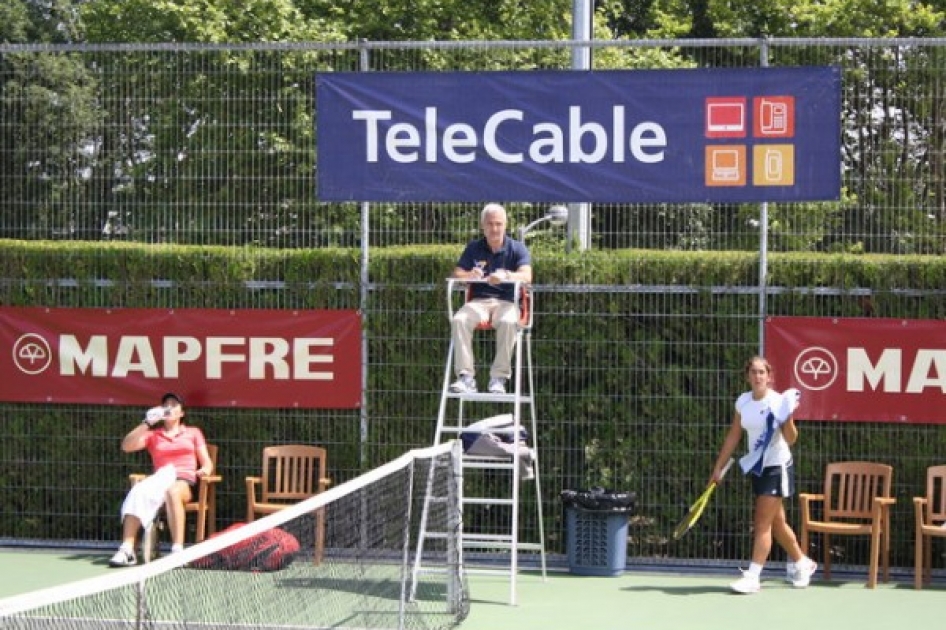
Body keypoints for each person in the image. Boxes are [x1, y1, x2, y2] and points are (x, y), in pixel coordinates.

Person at [710, 356, 817, 594]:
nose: (758, 377)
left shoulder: (778, 402)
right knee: (776, 524)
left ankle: (753, 576)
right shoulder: (743, 402)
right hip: (758, 468)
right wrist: (718, 466)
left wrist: (786, 416)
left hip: (777, 467)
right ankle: (803, 563)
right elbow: (734, 436)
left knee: (761, 523)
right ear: (747, 376)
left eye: (762, 373)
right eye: (754, 372)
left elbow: (791, 439)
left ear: (769, 377)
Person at [109, 392, 213, 567]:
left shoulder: (194, 432)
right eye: (166, 405)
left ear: (182, 413)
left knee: (172, 491)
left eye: (174, 405)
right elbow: (126, 446)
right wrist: (147, 423)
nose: (169, 408)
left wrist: (205, 470)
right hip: (160, 478)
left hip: (183, 481)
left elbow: (207, 463)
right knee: (137, 490)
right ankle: (127, 550)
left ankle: (177, 551)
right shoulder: (153, 435)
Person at [450, 203, 532, 395]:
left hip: (507, 302)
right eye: (490, 224)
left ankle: (499, 378)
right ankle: (466, 377)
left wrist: (506, 276)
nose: (494, 229)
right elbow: (457, 273)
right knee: (459, 320)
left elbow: (527, 276)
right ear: (483, 226)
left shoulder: (517, 248)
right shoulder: (473, 248)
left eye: (498, 224)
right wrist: (470, 274)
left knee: (508, 321)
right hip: (478, 302)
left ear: (505, 225)